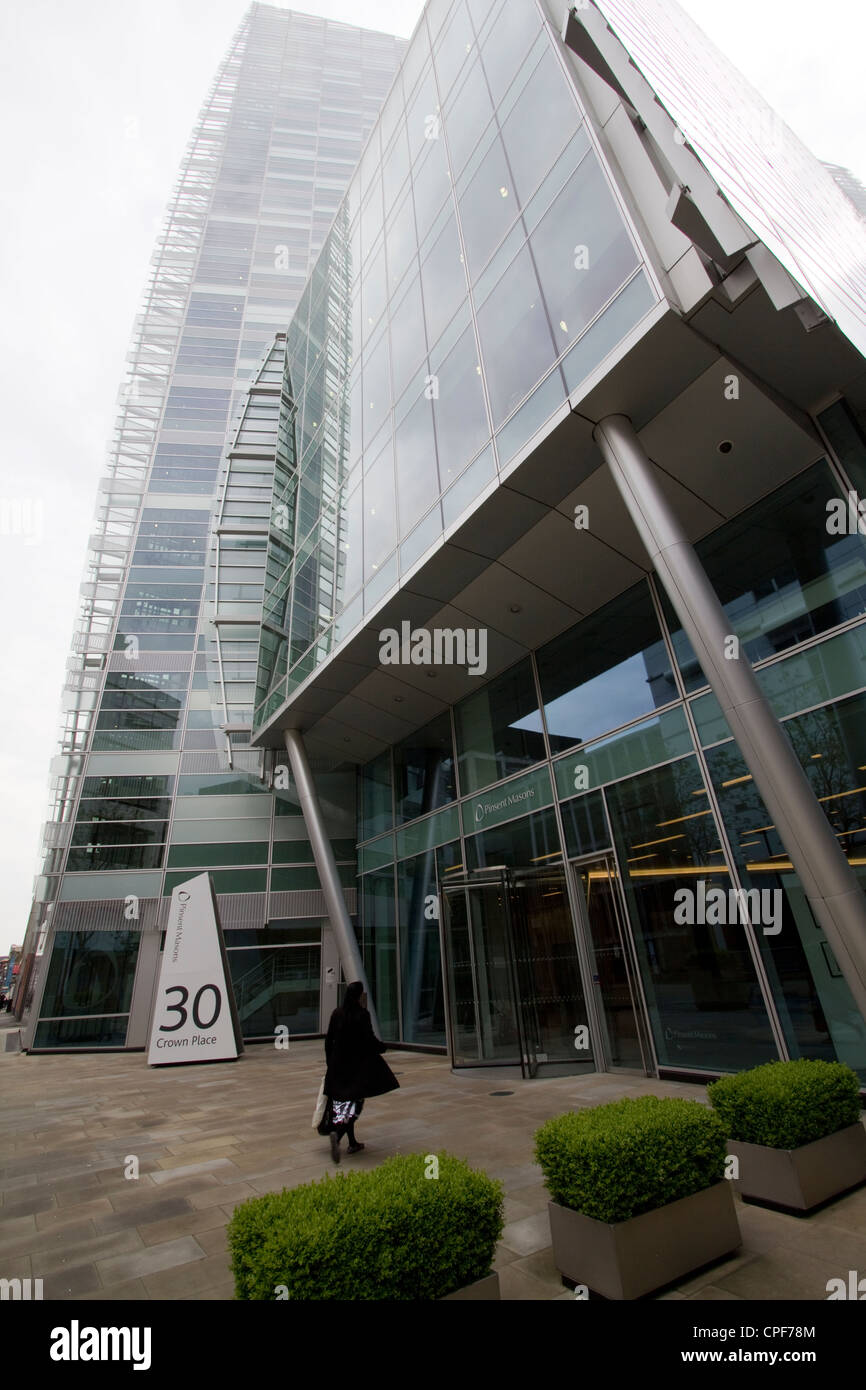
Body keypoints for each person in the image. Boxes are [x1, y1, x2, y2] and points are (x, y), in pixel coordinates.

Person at [322, 981, 399, 1164]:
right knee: (356, 1104)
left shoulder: (337, 1014)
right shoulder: (362, 1014)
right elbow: (369, 1039)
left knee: (345, 1103)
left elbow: (328, 1040)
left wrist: (329, 1063)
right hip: (355, 1068)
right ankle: (338, 1136)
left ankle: (352, 1142)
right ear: (359, 996)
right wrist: (383, 1048)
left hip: (338, 1067)